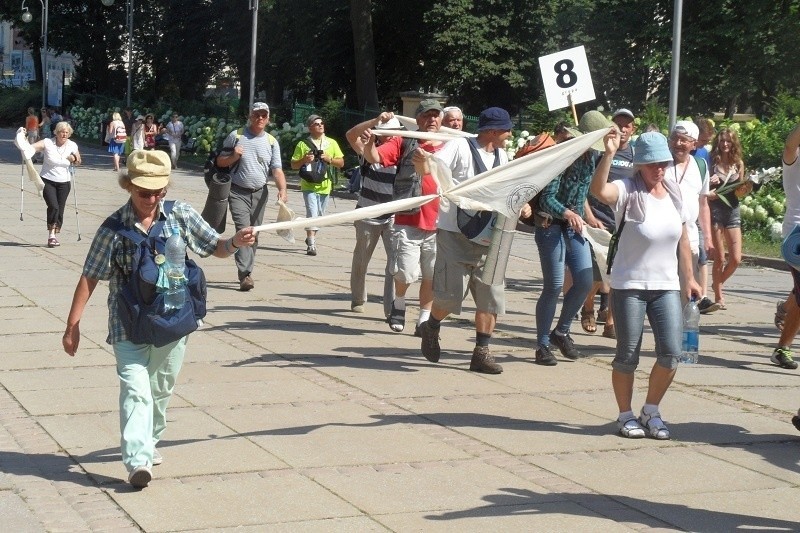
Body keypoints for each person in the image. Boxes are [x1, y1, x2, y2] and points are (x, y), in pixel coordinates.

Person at [61, 149, 257, 488]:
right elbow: (90, 276)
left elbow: (216, 247)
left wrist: (236, 242)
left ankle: (149, 441)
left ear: (165, 188)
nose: (151, 198)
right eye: (143, 191)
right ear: (129, 186)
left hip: (173, 321)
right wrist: (72, 326)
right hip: (128, 323)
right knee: (136, 389)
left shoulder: (180, 214)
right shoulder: (113, 228)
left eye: (157, 191)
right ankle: (138, 461)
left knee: (161, 388)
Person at [590, 131, 700, 440]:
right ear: (639, 165)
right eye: (652, 164)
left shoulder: (675, 192)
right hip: (629, 284)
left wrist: (689, 278)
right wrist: (609, 154)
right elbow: (599, 191)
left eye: (663, 163)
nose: (659, 170)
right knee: (628, 354)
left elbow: (683, 240)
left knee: (671, 352)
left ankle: (651, 409)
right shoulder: (628, 189)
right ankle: (625, 415)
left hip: (665, 285)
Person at [417, 106, 513, 374]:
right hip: (454, 232)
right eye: (506, 129)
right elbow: (434, 166)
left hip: (489, 235)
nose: (510, 133)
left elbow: (506, 187)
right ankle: (432, 325)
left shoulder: (503, 155)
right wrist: (423, 163)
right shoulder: (460, 146)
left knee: (490, 296)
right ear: (493, 131)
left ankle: (481, 352)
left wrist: (522, 204)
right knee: (449, 297)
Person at [358, 101, 445, 334]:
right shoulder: (404, 140)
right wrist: (368, 145)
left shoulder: (451, 145)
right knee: (407, 272)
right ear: (417, 120)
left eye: (436, 116)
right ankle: (399, 301)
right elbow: (375, 157)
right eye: (427, 116)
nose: (432, 120)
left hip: (440, 223)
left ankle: (424, 320)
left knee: (431, 275)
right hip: (409, 220)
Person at [533, 110, 611, 366]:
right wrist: (567, 213)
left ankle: (561, 332)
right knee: (554, 285)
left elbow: (582, 193)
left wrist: (583, 216)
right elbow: (547, 198)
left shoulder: (591, 157)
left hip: (573, 224)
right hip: (550, 223)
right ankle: (542, 344)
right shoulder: (563, 155)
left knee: (585, 280)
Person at [217, 102, 288, 291]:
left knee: (254, 234)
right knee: (244, 230)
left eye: (264, 115)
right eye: (257, 115)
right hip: (237, 190)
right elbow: (220, 161)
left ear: (269, 118)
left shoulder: (272, 142)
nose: (260, 118)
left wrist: (283, 189)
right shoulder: (237, 136)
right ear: (250, 116)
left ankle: (247, 269)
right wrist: (234, 156)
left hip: (260, 192)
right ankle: (245, 274)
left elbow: (277, 169)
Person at [583, 108, 637, 339]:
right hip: (597, 223)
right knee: (595, 276)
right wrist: (589, 216)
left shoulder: (635, 156)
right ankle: (587, 308)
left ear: (632, 129)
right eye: (618, 124)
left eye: (627, 125)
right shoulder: (600, 153)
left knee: (618, 276)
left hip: (622, 225)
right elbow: (583, 187)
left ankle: (611, 323)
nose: (622, 129)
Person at [344, 117, 402, 317]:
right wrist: (375, 121)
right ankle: (358, 298)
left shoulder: (402, 154)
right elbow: (351, 135)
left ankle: (391, 308)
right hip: (367, 214)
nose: (391, 135)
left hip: (393, 215)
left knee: (395, 263)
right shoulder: (367, 151)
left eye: (394, 132)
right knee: (361, 258)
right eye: (386, 131)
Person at [667, 121, 716, 314]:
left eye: (684, 140)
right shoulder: (661, 163)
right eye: (675, 139)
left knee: (687, 293)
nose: (678, 143)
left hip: (690, 240)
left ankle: (682, 334)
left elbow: (703, 204)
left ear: (694, 144)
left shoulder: (700, 165)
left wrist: (708, 237)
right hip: (664, 237)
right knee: (667, 291)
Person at [768, 122, 800, 370]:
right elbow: (790, 143)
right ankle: (782, 349)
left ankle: (786, 307)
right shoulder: (794, 158)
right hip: (796, 237)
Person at [290, 114, 345, 255]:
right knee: (312, 213)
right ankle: (312, 244)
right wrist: (304, 159)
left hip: (325, 185)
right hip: (309, 185)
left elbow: (341, 163)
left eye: (321, 123)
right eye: (316, 124)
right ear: (310, 128)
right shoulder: (303, 144)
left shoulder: (331, 143)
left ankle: (310, 238)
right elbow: (293, 165)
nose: (320, 125)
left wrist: (329, 159)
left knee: (319, 216)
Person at [707, 127, 745, 309]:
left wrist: (747, 186)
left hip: (732, 210)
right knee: (720, 258)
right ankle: (718, 297)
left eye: (728, 141)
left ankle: (717, 283)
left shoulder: (738, 164)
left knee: (736, 258)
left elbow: (740, 190)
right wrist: (710, 186)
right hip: (715, 210)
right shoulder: (711, 162)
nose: (725, 144)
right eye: (722, 141)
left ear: (733, 143)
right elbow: (702, 187)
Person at [29, 121, 81, 247]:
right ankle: (51, 235)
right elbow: (31, 148)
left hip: (64, 182)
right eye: (62, 132)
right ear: (56, 132)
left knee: (60, 209)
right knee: (54, 206)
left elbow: (79, 160)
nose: (64, 134)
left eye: (66, 132)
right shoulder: (48, 142)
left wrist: (74, 159)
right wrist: (24, 144)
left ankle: (54, 234)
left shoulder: (72, 145)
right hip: (47, 180)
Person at [692, 118, 720, 314]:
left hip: (698, 210)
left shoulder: (703, 155)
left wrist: (711, 182)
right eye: (701, 140)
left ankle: (702, 297)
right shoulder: (678, 152)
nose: (702, 145)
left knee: (702, 254)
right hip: (681, 215)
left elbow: (704, 185)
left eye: (705, 141)